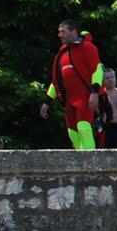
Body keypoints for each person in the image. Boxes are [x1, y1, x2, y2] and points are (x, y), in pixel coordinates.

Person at [40, 20, 107, 150]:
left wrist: (94, 92)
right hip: (70, 100)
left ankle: (90, 159)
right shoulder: (62, 53)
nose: (59, 35)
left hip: (85, 97)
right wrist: (47, 101)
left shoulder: (87, 47)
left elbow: (97, 70)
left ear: (73, 32)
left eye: (63, 32)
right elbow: (57, 81)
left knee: (83, 127)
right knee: (72, 132)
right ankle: (80, 160)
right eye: (59, 32)